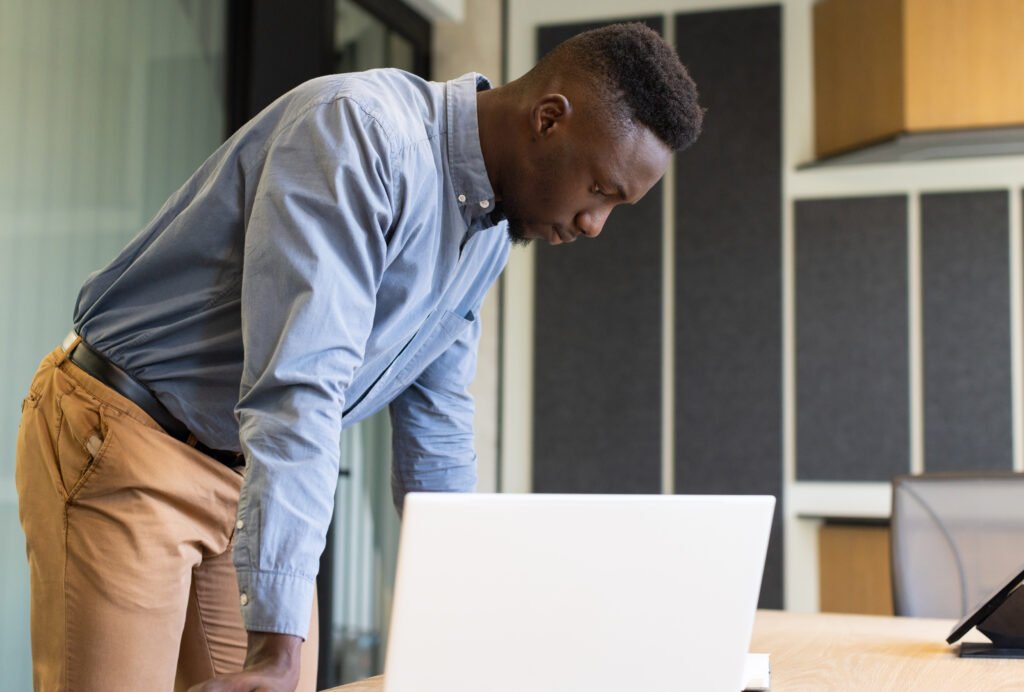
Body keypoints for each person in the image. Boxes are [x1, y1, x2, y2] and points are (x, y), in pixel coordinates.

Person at [15, 21, 702, 692]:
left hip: (244, 468)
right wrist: (277, 649)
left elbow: (437, 428)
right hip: (130, 438)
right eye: (600, 190)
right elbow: (299, 386)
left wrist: (470, 619)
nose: (593, 224)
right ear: (550, 119)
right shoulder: (358, 133)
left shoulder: (487, 230)